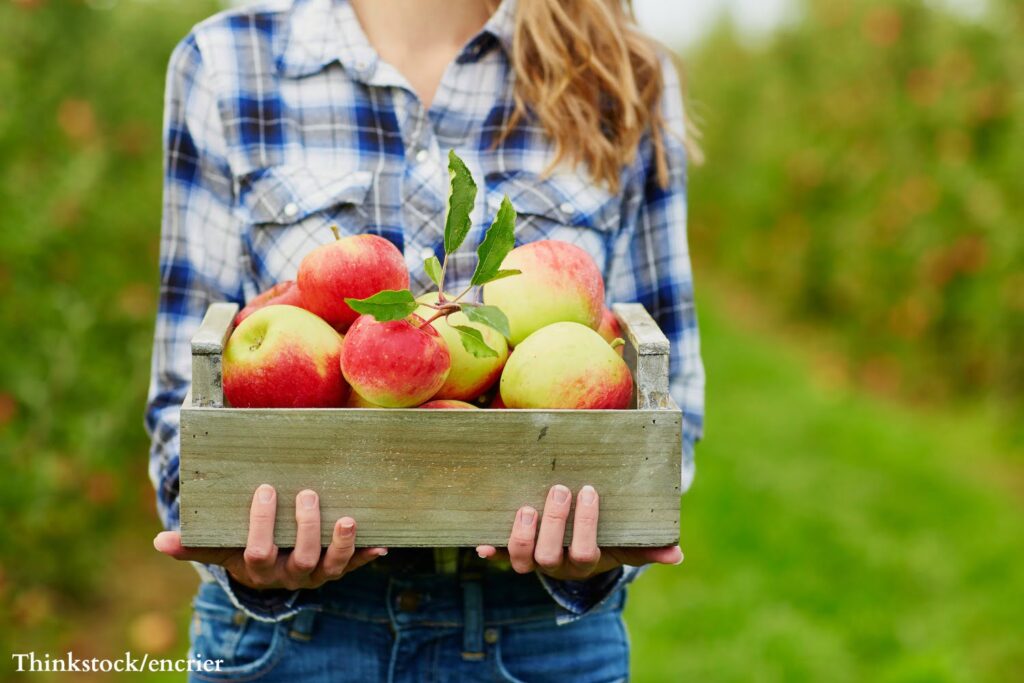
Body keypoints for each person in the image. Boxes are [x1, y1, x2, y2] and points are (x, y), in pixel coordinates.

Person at [146, 0, 704, 680]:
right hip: (288, 640)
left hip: (535, 636)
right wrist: (237, 544)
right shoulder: (227, 62)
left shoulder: (619, 70)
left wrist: (608, 536)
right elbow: (183, 393)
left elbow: (667, 394)